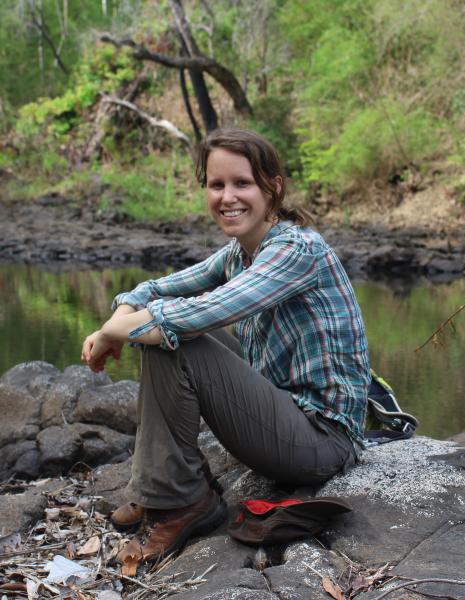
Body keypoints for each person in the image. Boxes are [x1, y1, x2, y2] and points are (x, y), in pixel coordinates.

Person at [81, 128, 371, 565]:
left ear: (273, 187)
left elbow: (198, 314)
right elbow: (157, 289)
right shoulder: (239, 252)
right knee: (163, 328)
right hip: (284, 414)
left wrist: (109, 334)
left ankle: (183, 502)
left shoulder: (296, 249)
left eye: (242, 183)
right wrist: (121, 315)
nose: (227, 196)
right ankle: (165, 486)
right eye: (216, 185)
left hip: (322, 440)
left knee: (177, 338)